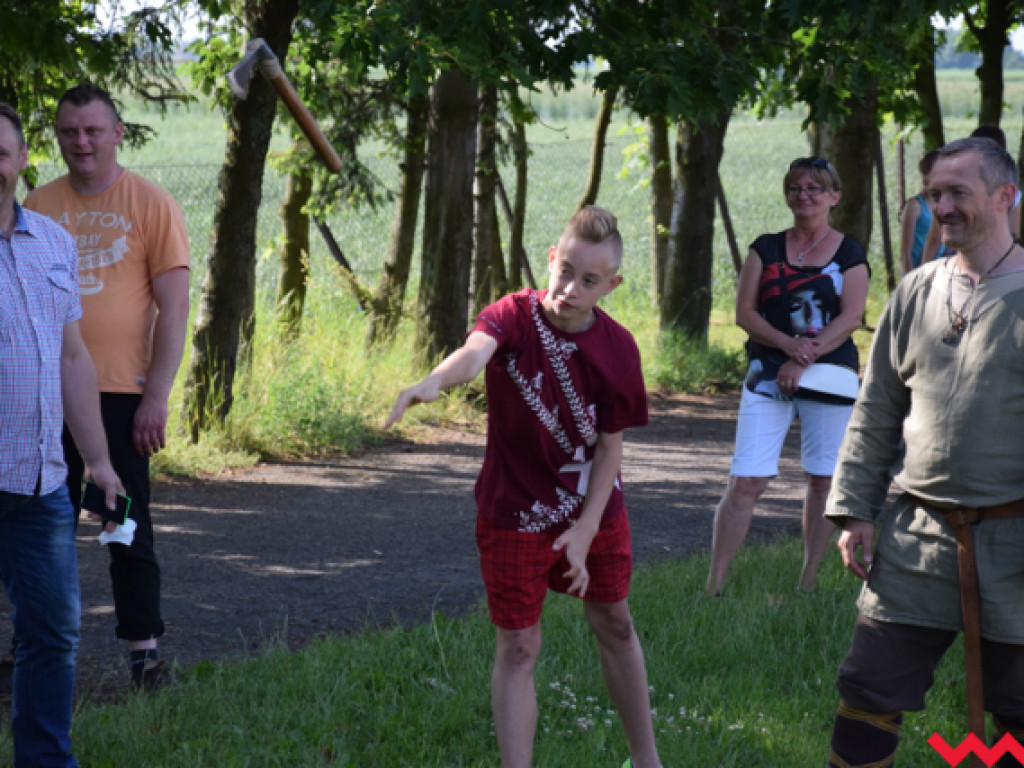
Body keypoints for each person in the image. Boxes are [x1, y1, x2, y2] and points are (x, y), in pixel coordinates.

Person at [385, 206, 662, 768]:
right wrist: (434, 381)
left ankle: (647, 759)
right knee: (518, 646)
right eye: (566, 272)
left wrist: (585, 531)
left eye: (589, 281)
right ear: (553, 260)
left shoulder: (619, 350)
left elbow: (611, 448)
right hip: (514, 513)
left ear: (612, 286)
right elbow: (474, 353)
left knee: (614, 621)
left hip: (594, 510)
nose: (570, 289)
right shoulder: (512, 315)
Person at [825, 137, 1024, 767]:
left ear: (1003, 196)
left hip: (1017, 542)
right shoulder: (914, 292)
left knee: (1020, 708)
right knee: (866, 689)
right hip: (918, 535)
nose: (942, 207)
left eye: (956, 193)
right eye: (934, 194)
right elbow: (877, 409)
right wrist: (855, 508)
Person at [25, 84, 190, 691]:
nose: (81, 142)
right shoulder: (36, 206)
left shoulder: (151, 204)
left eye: (93, 130)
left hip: (121, 399)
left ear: (117, 134)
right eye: (69, 132)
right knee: (37, 528)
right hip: (42, 399)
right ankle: (35, 648)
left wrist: (157, 395)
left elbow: (173, 309)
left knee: (121, 526)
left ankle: (143, 656)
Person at [0, 101, 123, 767]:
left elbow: (73, 358)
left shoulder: (53, 242)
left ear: (21, 162)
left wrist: (99, 463)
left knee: (54, 633)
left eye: (1, 152)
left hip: (42, 482)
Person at [705, 156, 870, 596]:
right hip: (766, 373)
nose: (804, 196)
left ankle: (808, 583)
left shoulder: (851, 254)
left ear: (834, 196)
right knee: (747, 480)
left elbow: (852, 317)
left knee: (822, 478)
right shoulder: (765, 248)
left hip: (830, 375)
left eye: (815, 188)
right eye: (796, 188)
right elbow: (744, 313)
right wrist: (787, 346)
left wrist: (806, 356)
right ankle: (713, 587)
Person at [899, 149, 946, 274]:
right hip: (918, 276)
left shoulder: (945, 205)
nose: (926, 179)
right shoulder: (914, 206)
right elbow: (905, 254)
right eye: (924, 173)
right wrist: (912, 284)